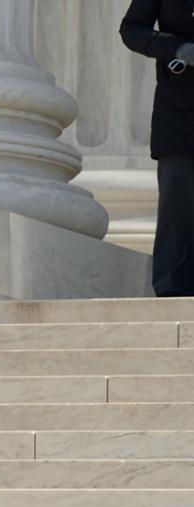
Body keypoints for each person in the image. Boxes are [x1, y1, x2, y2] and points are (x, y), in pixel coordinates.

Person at [122, 0, 194, 296]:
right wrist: (176, 49)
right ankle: (173, 292)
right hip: (177, 109)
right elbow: (131, 29)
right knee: (177, 202)